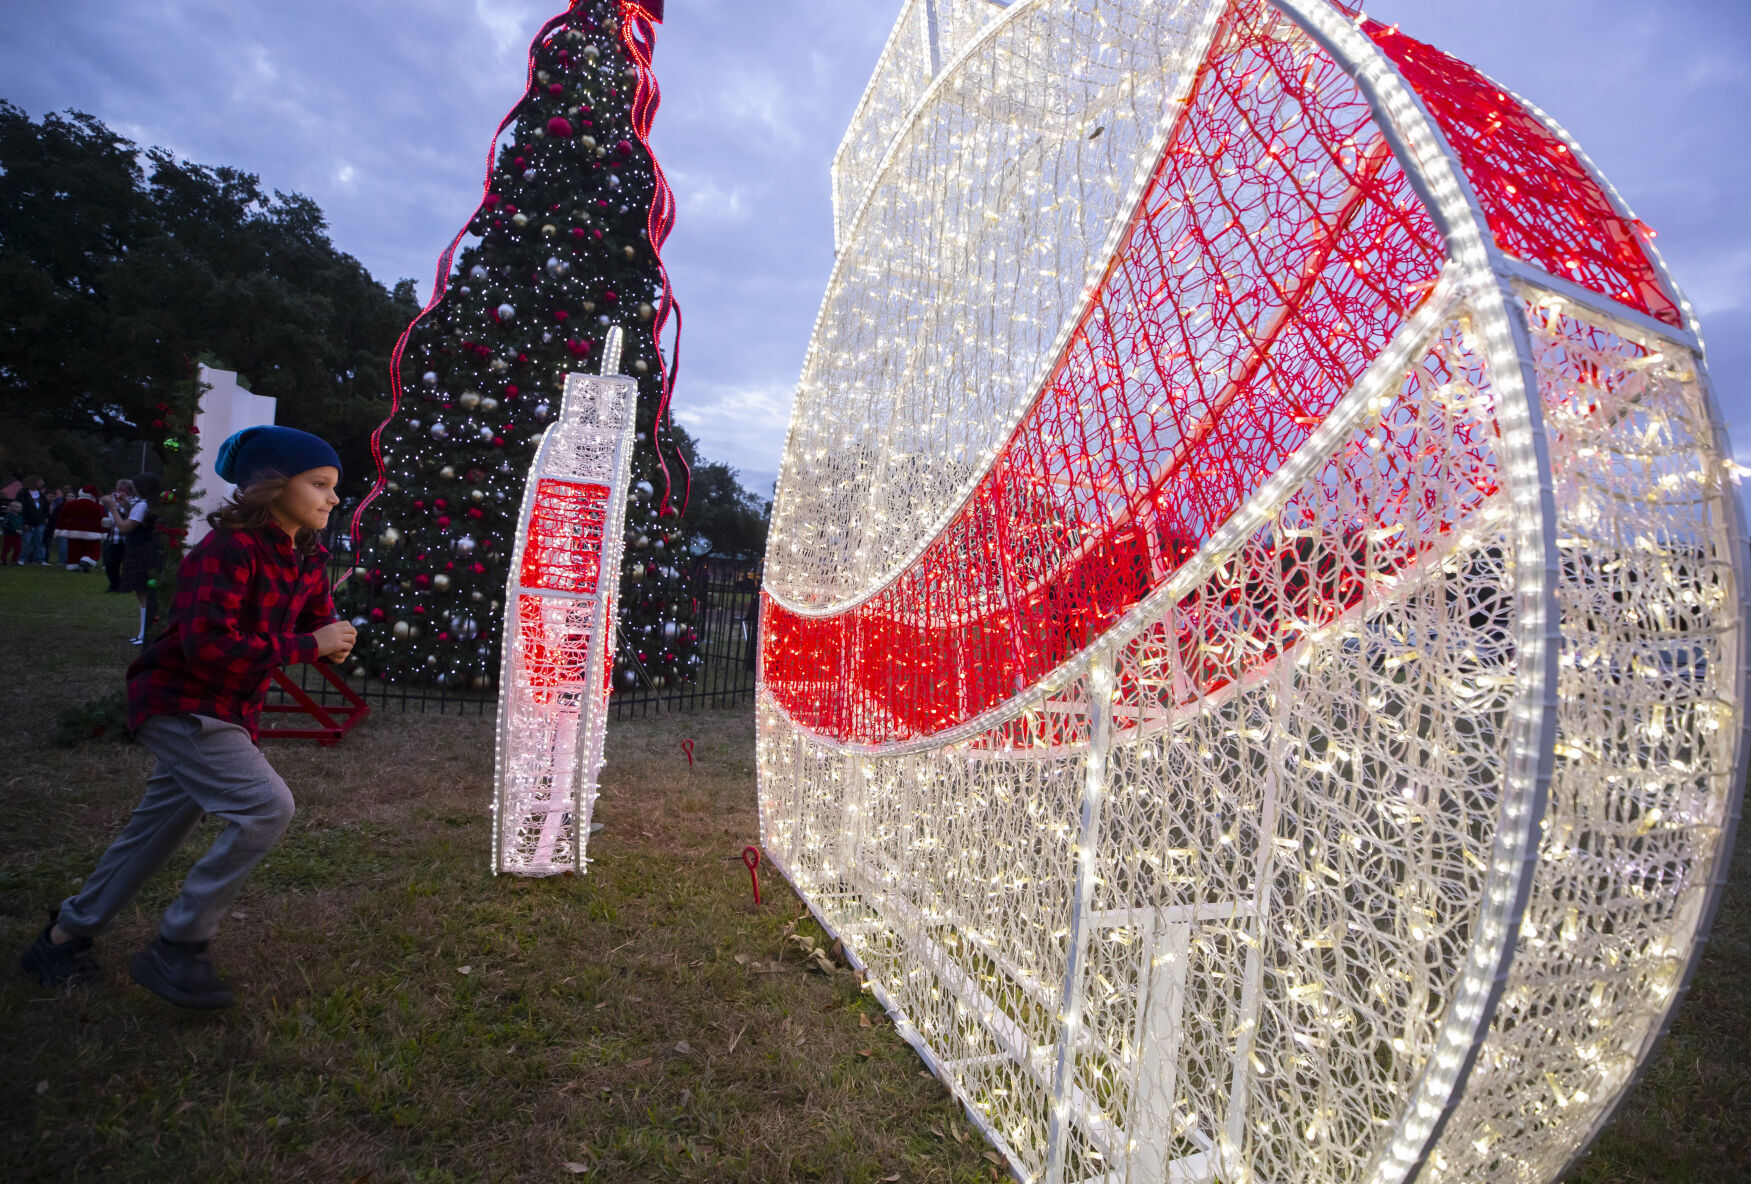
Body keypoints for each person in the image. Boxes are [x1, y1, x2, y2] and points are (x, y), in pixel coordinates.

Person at [18, 426, 357, 1009]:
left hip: (229, 708)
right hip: (183, 703)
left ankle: (63, 938)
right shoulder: (225, 552)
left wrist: (333, 637)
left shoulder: (308, 554)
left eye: (334, 488)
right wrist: (310, 644)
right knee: (265, 806)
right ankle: (180, 941)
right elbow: (210, 646)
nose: (331, 499)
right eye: (319, 485)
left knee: (152, 832)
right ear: (272, 487)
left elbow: (312, 624)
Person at [103, 473, 165, 644]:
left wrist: (113, 508)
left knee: (143, 594)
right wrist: (126, 505)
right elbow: (141, 522)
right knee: (146, 593)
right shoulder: (153, 503)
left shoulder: (143, 504)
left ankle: (145, 634)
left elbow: (124, 528)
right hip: (149, 549)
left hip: (138, 550)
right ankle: (144, 633)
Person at [57, 485, 107, 571]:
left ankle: (73, 565)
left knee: (74, 548)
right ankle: (86, 560)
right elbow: (103, 519)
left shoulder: (70, 504)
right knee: (92, 548)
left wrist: (61, 529)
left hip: (74, 530)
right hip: (92, 531)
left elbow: (63, 517)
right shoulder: (97, 506)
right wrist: (104, 531)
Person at [103, 478, 135, 591]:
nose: (120, 491)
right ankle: (114, 584)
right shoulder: (113, 501)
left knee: (127, 565)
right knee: (110, 564)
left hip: (128, 538)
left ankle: (124, 586)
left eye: (123, 489)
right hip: (115, 537)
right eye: (119, 489)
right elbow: (112, 518)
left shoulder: (133, 501)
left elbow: (128, 515)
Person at [19, 475, 49, 565]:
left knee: (39, 541)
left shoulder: (41, 495)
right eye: (40, 481)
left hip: (40, 522)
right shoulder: (22, 494)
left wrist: (45, 517)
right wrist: (24, 522)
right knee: (26, 541)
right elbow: (21, 509)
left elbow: (45, 507)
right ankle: (22, 558)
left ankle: (40, 559)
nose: (42, 484)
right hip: (28, 522)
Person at [46, 486, 68, 566]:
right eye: (68, 496)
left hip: (71, 528)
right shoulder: (59, 506)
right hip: (60, 528)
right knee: (62, 545)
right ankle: (62, 561)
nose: (70, 497)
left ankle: (69, 561)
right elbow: (55, 517)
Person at [1, 499, 23, 565]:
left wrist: (20, 529)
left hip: (17, 535)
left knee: (18, 548)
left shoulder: (20, 516)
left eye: (20, 507)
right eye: (17, 507)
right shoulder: (8, 516)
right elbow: (4, 525)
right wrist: (13, 530)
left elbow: (20, 524)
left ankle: (14, 560)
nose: (19, 508)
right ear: (12, 508)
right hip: (9, 535)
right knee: (7, 548)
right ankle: (3, 560)